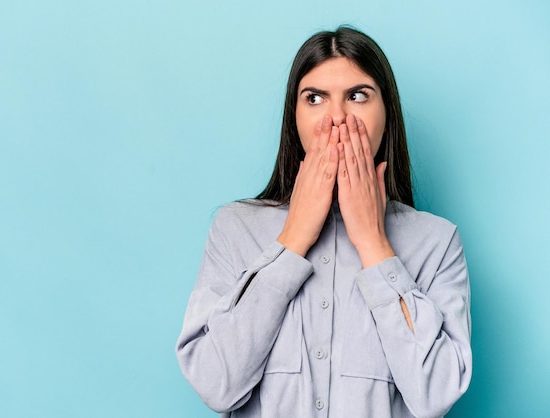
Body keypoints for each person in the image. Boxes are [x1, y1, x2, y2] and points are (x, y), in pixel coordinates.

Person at [176, 26, 472, 418]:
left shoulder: (437, 241)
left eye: (358, 96)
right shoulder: (235, 229)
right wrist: (294, 237)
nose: (336, 118)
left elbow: (435, 394)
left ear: (388, 112)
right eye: (314, 98)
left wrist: (373, 244)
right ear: (294, 116)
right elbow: (215, 385)